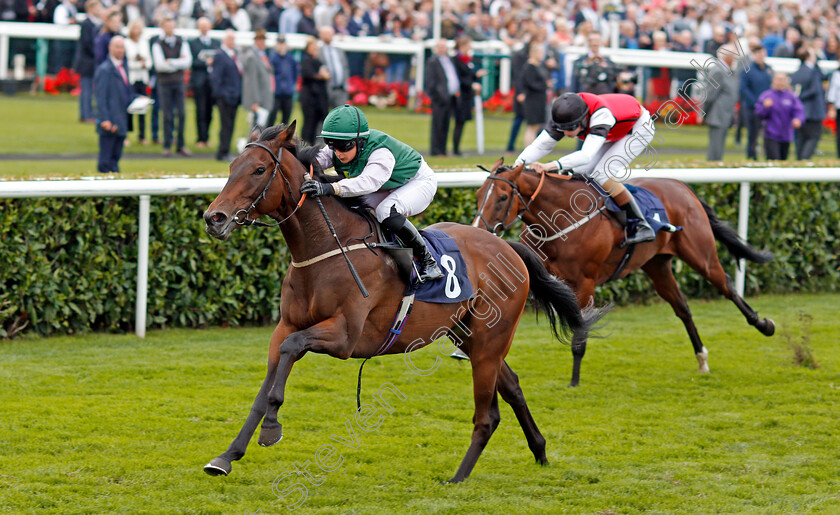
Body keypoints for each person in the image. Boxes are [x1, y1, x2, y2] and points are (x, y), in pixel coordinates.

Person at [300, 105, 444, 284]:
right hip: (387, 184)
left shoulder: (381, 153)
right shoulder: (340, 147)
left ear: (360, 141)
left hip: (417, 182)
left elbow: (368, 182)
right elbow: (312, 163)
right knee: (351, 206)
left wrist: (330, 188)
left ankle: (428, 261)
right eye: (332, 144)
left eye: (344, 146)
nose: (338, 153)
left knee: (386, 211)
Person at [514, 92, 656, 245]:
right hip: (616, 127)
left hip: (638, 127)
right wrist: (516, 166)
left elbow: (586, 155)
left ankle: (641, 224)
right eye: (563, 129)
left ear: (583, 119)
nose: (567, 133)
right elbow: (541, 145)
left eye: (571, 128)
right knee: (580, 172)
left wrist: (551, 165)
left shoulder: (601, 116)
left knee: (602, 174)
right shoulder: (564, 115)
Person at [94, 36, 135, 174]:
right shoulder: (105, 69)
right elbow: (101, 97)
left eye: (122, 47)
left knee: (115, 158)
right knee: (106, 161)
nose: (120, 50)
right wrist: (105, 119)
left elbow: (126, 92)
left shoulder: (123, 67)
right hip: (110, 121)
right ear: (110, 48)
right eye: (117, 47)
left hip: (121, 119)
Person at [152, 16, 193, 157]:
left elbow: (187, 62)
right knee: (167, 114)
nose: (170, 28)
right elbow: (160, 65)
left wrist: (171, 62)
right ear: (162, 27)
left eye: (172, 25)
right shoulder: (157, 43)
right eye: (167, 25)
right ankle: (167, 144)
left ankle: (180, 144)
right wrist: (178, 63)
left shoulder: (182, 41)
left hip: (179, 82)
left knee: (181, 114)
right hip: (164, 83)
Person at [699, 45, 739, 161]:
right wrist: (703, 113)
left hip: (724, 115)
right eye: (733, 56)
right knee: (715, 150)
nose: (735, 59)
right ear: (727, 56)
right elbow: (710, 95)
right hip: (718, 116)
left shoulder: (726, 70)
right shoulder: (718, 70)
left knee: (719, 149)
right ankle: (710, 175)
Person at [754, 72, 805, 161]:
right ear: (773, 80)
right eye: (778, 79)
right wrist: (765, 107)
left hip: (786, 135)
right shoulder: (767, 95)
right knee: (774, 160)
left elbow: (799, 110)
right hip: (771, 135)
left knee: (783, 161)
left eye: (782, 79)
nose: (780, 82)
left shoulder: (790, 96)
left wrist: (798, 119)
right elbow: (759, 113)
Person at [210, 30, 242, 161]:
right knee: (226, 125)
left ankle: (225, 150)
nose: (233, 42)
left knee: (229, 125)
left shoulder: (232, 55)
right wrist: (221, 94)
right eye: (231, 39)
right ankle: (222, 152)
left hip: (233, 97)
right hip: (226, 97)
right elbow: (216, 77)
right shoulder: (220, 55)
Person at [424, 39, 459, 156]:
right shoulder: (432, 62)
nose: (443, 49)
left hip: (451, 97)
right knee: (437, 125)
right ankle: (436, 150)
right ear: (436, 48)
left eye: (444, 47)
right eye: (440, 47)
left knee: (446, 125)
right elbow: (430, 81)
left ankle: (443, 150)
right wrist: (436, 95)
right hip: (440, 99)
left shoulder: (450, 60)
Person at [790, 45, 826, 160]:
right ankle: (804, 160)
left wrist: (799, 98)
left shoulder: (797, 72)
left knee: (800, 138)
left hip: (800, 112)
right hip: (813, 111)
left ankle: (799, 161)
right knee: (813, 137)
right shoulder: (813, 71)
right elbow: (815, 89)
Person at [189, 17, 220, 148]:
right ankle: (200, 138)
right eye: (201, 25)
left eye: (206, 25)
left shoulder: (215, 42)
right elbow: (192, 61)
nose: (204, 27)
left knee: (209, 111)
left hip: (211, 82)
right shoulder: (193, 43)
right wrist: (204, 63)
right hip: (199, 81)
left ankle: (206, 137)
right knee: (200, 110)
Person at [452, 36, 484, 156]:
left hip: (467, 96)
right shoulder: (456, 60)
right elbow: (459, 78)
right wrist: (471, 84)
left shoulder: (467, 60)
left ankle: (457, 148)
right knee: (459, 122)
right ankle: (455, 149)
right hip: (460, 96)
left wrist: (476, 76)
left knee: (462, 123)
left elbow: (468, 76)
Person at [740, 43, 772, 160]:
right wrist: (756, 103)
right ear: (754, 55)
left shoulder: (768, 69)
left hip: (767, 108)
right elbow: (744, 89)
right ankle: (751, 156)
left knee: (768, 134)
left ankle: (767, 155)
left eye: (763, 54)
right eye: (758, 54)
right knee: (752, 134)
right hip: (751, 108)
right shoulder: (747, 70)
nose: (761, 56)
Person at [74, 0, 103, 123]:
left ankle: (90, 113)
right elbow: (87, 43)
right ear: (91, 8)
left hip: (92, 62)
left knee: (92, 90)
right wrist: (98, 53)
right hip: (87, 62)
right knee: (86, 90)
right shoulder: (86, 24)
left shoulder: (96, 24)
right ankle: (86, 115)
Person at [241, 28, 275, 130]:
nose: (263, 42)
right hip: (259, 99)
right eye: (260, 40)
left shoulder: (263, 55)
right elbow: (252, 80)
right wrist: (254, 100)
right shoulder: (252, 56)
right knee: (256, 128)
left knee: (261, 128)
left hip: (265, 97)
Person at [124, 19, 151, 145]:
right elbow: (127, 63)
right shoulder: (126, 43)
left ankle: (142, 135)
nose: (137, 31)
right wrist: (140, 63)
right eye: (135, 28)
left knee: (142, 107)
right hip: (131, 79)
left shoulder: (144, 43)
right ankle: (126, 134)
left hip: (142, 79)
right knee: (128, 107)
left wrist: (142, 63)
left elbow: (149, 63)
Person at [299, 36, 330, 145]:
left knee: (316, 123)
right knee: (309, 123)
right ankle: (305, 144)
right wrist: (321, 76)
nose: (316, 48)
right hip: (309, 97)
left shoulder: (317, 59)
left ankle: (311, 144)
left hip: (318, 98)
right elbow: (308, 74)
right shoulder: (306, 59)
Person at [519, 44, 550, 147]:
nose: (541, 54)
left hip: (540, 99)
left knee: (536, 126)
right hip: (532, 99)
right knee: (531, 126)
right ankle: (527, 150)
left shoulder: (539, 66)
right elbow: (530, 83)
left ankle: (531, 151)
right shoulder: (529, 67)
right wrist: (545, 85)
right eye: (539, 52)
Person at [267, 35, 297, 127]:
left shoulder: (290, 58)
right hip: (276, 93)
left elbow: (295, 72)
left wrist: (290, 85)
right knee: (272, 117)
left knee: (286, 120)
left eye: (283, 43)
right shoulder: (273, 57)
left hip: (287, 93)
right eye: (279, 43)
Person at [318, 26, 349, 109]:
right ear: (320, 35)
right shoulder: (318, 51)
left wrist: (345, 84)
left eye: (330, 34)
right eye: (326, 34)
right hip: (326, 89)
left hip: (340, 89)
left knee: (341, 116)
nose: (328, 36)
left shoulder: (339, 50)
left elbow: (345, 68)